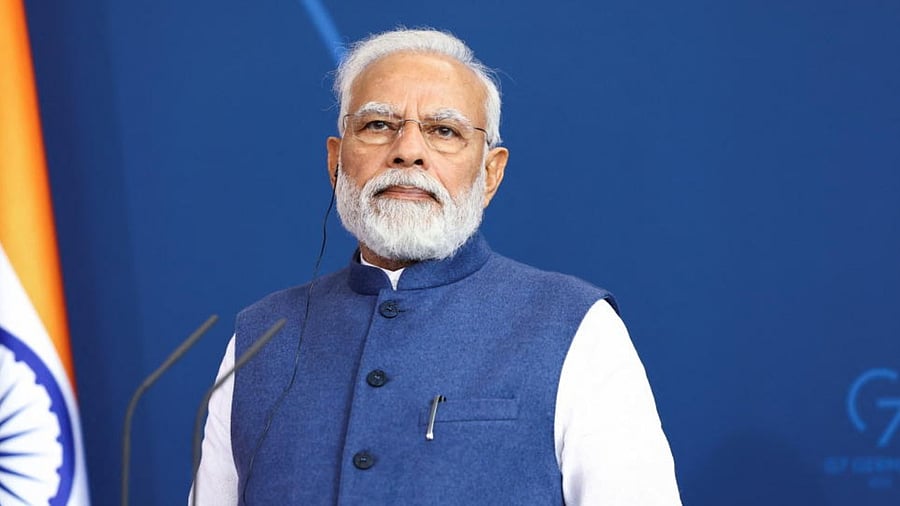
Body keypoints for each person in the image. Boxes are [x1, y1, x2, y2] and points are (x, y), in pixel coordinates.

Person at [192, 28, 682, 505]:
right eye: (378, 125)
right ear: (336, 160)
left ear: (490, 174)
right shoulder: (259, 338)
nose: (407, 151)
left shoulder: (576, 327)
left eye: (443, 131)